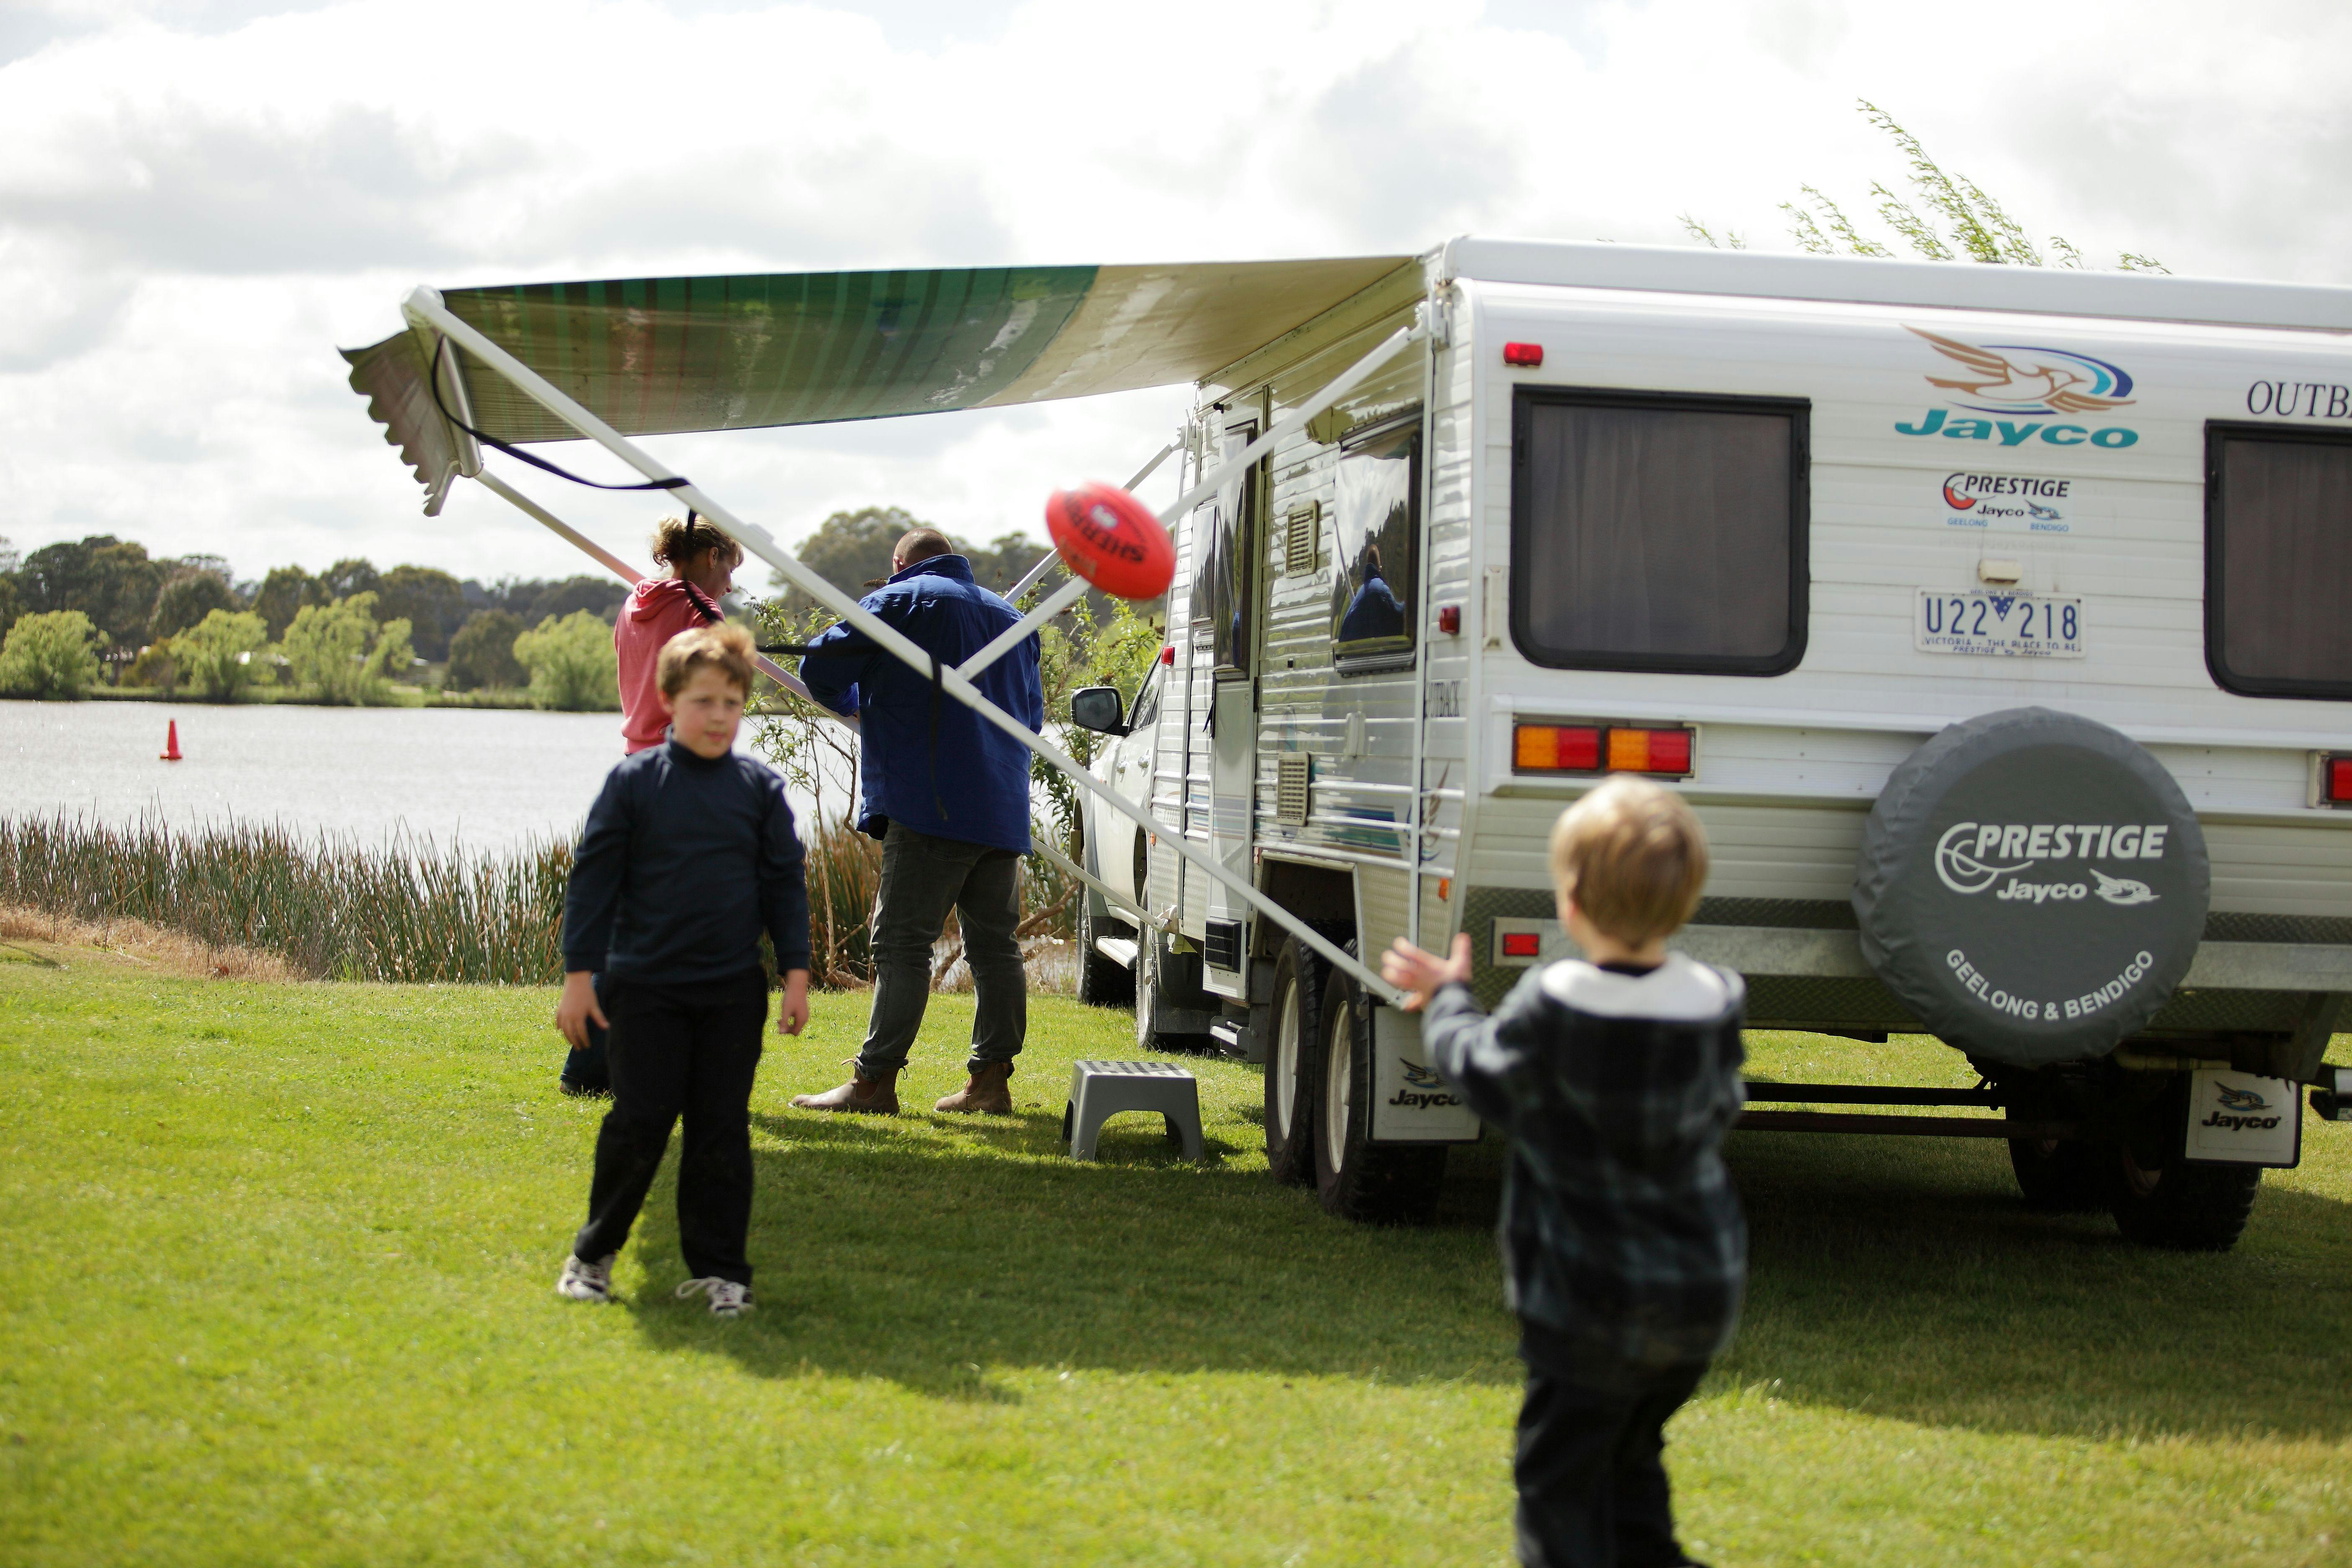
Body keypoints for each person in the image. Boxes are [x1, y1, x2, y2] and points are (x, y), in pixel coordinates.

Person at [1380, 776, 1746, 1568]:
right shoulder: (1717, 1004)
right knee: (1628, 1467)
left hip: (1587, 1304)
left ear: (1571, 903)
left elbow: (1480, 1068)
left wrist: (1448, 998)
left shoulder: (1559, 1004)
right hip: (1696, 1300)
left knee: (1559, 1488)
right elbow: (1721, 1103)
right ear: (1688, 898)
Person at [552, 623, 811, 1318]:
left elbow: (784, 884)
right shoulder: (635, 784)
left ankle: (724, 1273)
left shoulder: (759, 789)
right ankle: (592, 1257)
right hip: (643, 991)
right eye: (704, 701)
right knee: (639, 1123)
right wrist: (580, 977)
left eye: (731, 702)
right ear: (669, 701)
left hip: (731, 995)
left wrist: (795, 973)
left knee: (720, 1131)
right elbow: (593, 885)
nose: (719, 715)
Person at [788, 526, 1043, 1117]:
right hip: (1001, 806)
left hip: (931, 804)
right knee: (995, 947)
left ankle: (873, 1083)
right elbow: (1030, 718)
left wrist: (857, 699)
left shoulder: (901, 600)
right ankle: (990, 1081)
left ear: (899, 562)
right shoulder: (1011, 616)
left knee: (901, 944)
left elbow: (821, 667)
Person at [560, 513, 746, 1097]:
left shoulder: (633, 604)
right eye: (732, 569)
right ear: (712, 556)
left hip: (633, 768)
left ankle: (593, 1068)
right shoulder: (700, 615)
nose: (732, 587)